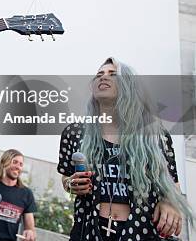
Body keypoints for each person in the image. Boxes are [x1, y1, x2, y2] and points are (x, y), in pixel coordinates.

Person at [57, 57, 193, 240]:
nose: (103, 77)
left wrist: (169, 202)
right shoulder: (74, 132)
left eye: (113, 74)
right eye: (99, 74)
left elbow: (172, 184)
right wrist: (71, 184)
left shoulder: (155, 136)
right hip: (88, 232)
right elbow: (66, 177)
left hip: (141, 232)